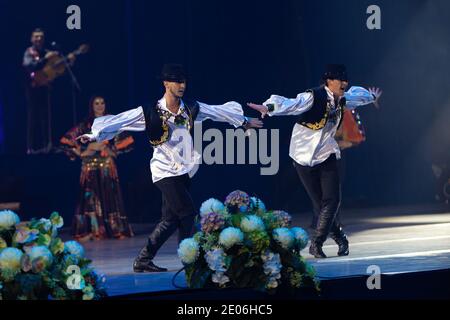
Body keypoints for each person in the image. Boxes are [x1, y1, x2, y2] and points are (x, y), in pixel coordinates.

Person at [78, 64, 263, 272]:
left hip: (184, 169)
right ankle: (191, 259)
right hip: (163, 171)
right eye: (177, 81)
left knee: (170, 219)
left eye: (184, 81)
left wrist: (244, 121)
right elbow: (121, 121)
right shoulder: (150, 111)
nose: (182, 85)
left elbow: (217, 112)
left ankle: (143, 259)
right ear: (166, 83)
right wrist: (94, 136)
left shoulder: (191, 108)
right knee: (187, 213)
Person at [248, 64, 382, 258]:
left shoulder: (343, 98)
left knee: (332, 199)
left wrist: (371, 97)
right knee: (320, 203)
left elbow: (358, 97)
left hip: (326, 151)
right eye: (339, 79)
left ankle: (316, 243)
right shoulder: (314, 96)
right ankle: (341, 238)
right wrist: (268, 107)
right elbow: (291, 104)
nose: (344, 83)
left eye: (345, 80)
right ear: (329, 80)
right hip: (303, 154)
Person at [60, 95, 134, 241]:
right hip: (89, 167)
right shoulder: (85, 125)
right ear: (91, 106)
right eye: (96, 103)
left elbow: (128, 140)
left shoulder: (112, 122)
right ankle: (93, 230)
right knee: (90, 200)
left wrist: (111, 148)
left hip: (107, 165)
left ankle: (113, 229)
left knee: (109, 197)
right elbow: (66, 140)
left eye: (102, 103)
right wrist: (84, 150)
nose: (100, 106)